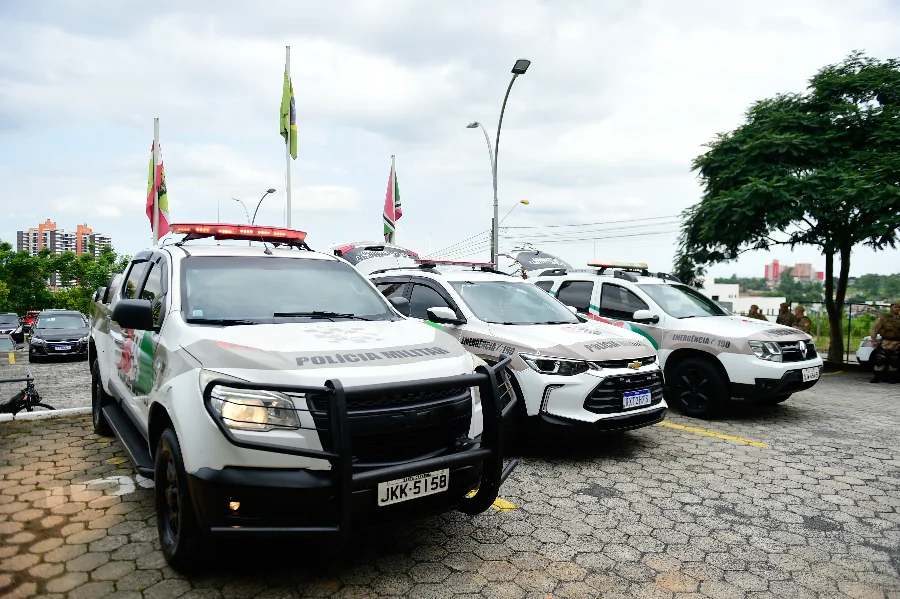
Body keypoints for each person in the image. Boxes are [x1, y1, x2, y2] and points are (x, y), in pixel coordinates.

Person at [870, 301, 900, 384]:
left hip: (897, 343)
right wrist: (874, 339)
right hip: (885, 342)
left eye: (898, 307)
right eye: (895, 307)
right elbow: (875, 328)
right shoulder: (884, 318)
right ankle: (877, 377)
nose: (897, 309)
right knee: (880, 360)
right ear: (891, 308)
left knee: (894, 362)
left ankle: (891, 378)